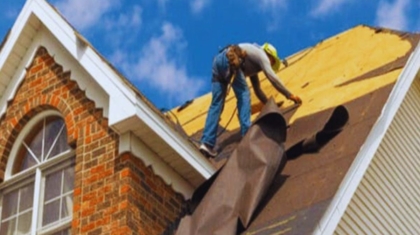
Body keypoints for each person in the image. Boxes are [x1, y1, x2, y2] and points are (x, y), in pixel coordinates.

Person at [199, 43, 301, 158]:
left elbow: (258, 90)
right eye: (272, 61)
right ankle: (247, 134)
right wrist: (289, 95)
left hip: (219, 62)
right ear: (269, 55)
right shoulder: (261, 55)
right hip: (231, 59)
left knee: (217, 104)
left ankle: (206, 143)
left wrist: (271, 106)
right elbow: (272, 77)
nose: (271, 64)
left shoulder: (252, 62)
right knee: (244, 93)